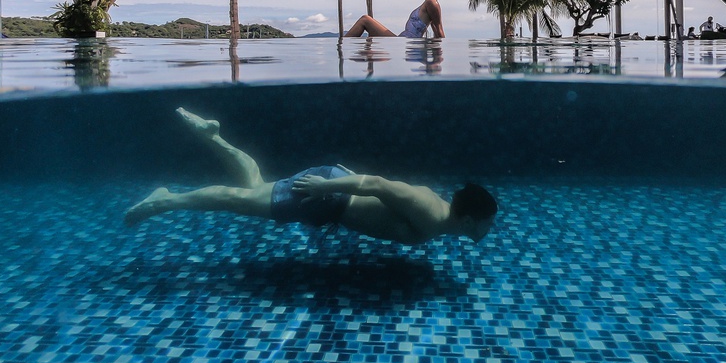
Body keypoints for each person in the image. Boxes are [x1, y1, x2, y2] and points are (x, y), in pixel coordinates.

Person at [125, 108, 497, 246]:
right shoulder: (430, 212)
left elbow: (378, 203)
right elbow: (379, 185)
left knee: (254, 188)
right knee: (237, 200)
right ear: (468, 220)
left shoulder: (439, 218)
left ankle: (213, 137)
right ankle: (165, 200)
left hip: (332, 196)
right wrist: (324, 187)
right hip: (327, 195)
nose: (489, 229)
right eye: (487, 224)